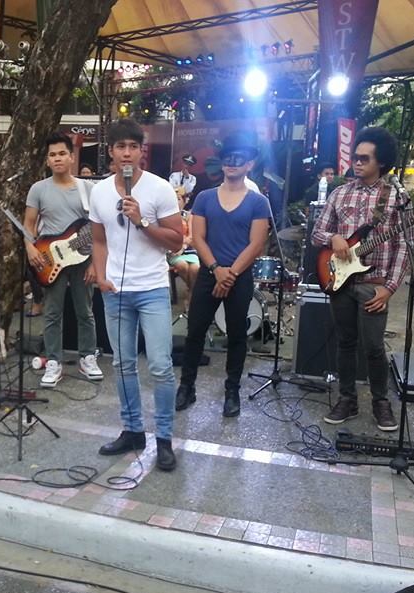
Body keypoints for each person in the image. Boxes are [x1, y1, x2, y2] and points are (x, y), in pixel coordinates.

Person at [89, 119, 184, 471]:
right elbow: (99, 240)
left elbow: (177, 240)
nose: (127, 153)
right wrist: (101, 276)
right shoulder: (99, 192)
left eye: (133, 146)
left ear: (142, 151)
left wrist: (143, 221)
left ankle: (164, 439)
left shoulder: (160, 188)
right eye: (120, 147)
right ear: (111, 152)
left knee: (160, 365)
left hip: (152, 289)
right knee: (122, 363)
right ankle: (132, 430)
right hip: (115, 291)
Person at [311, 126, 412, 432]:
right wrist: (334, 238)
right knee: (345, 342)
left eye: (364, 158)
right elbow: (317, 233)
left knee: (374, 346)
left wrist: (389, 288)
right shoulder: (339, 193)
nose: (356, 163)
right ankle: (347, 398)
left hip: (374, 283)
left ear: (381, 161)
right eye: (355, 157)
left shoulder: (396, 198)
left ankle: (381, 402)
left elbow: (405, 245)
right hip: (340, 280)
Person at [175, 134, 272, 418]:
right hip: (209, 273)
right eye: (227, 158)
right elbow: (198, 238)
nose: (232, 163)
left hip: (239, 277)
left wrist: (230, 274)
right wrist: (217, 270)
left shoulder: (258, 202)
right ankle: (187, 386)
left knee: (238, 335)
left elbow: (256, 244)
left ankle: (232, 390)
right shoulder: (205, 198)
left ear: (249, 164)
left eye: (238, 158)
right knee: (195, 331)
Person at [24, 132, 103, 387]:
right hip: (50, 259)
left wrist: (95, 263)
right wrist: (30, 248)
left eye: (62, 154)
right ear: (47, 160)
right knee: (52, 312)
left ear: (71, 157)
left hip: (82, 258)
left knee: (85, 311)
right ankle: (53, 361)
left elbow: (99, 229)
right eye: (52, 155)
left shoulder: (88, 189)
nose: (57, 158)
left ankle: (87, 357)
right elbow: (28, 224)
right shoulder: (38, 189)